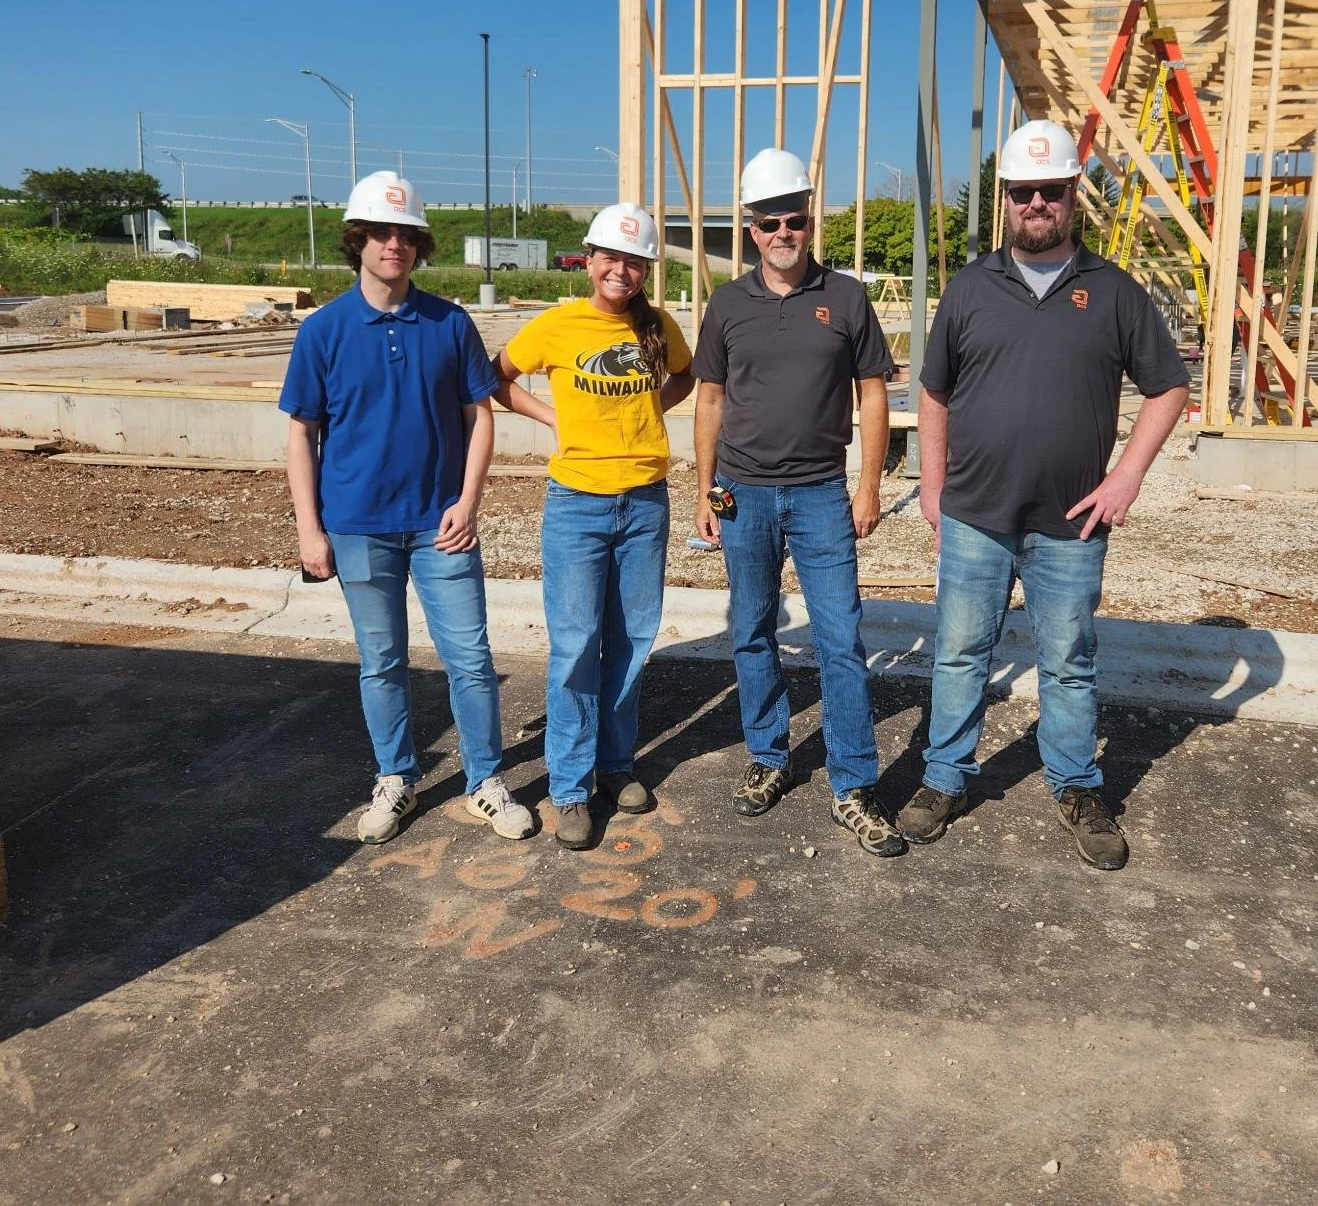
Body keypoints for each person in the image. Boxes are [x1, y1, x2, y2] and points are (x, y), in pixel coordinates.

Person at [898, 119, 1191, 870]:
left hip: (1070, 525)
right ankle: (944, 777)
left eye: (1050, 191)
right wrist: (932, 485)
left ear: (1071, 195)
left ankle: (1077, 786)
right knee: (960, 654)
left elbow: (1168, 388)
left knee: (1068, 661)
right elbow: (933, 393)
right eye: (1023, 191)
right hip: (975, 516)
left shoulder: (1113, 292)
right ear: (1004, 198)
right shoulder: (971, 288)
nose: (1036, 203)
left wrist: (1126, 477)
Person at [282, 172, 534, 845]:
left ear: (420, 246)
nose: (394, 244)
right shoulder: (324, 330)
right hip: (357, 526)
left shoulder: (449, 323)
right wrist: (310, 530)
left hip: (440, 526)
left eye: (406, 234)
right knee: (382, 661)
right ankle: (396, 777)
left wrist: (468, 502)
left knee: (471, 659)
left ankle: (485, 781)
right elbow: (302, 434)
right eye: (380, 233)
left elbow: (480, 416)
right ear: (357, 241)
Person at [691, 147, 904, 858]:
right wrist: (705, 491)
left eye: (794, 219)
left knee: (840, 639)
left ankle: (854, 785)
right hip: (742, 493)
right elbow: (710, 400)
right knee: (752, 629)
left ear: (810, 221)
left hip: (820, 494)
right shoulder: (727, 304)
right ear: (749, 229)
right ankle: (769, 756)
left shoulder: (845, 298)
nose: (783, 232)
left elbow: (873, 393)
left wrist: (869, 485)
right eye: (768, 222)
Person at [492, 204, 694, 850]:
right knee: (577, 644)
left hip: (645, 502)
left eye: (635, 262)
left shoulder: (658, 325)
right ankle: (571, 787)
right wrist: (552, 417)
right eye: (611, 257)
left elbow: (686, 376)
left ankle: (615, 763)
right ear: (589, 258)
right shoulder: (556, 326)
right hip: (577, 504)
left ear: (646, 270)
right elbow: (496, 377)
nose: (621, 271)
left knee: (632, 638)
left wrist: (649, 404)